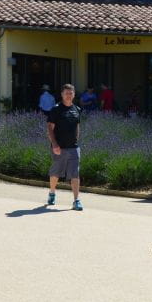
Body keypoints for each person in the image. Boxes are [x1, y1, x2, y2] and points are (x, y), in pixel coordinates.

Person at [46, 83, 83, 211]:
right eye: (66, 93)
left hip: (73, 148)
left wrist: (77, 139)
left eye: (71, 93)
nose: (68, 95)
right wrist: (54, 144)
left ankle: (76, 200)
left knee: (75, 174)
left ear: (74, 95)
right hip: (59, 148)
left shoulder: (77, 109)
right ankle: (52, 193)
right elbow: (50, 128)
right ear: (62, 94)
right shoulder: (56, 109)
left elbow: (77, 126)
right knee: (56, 173)